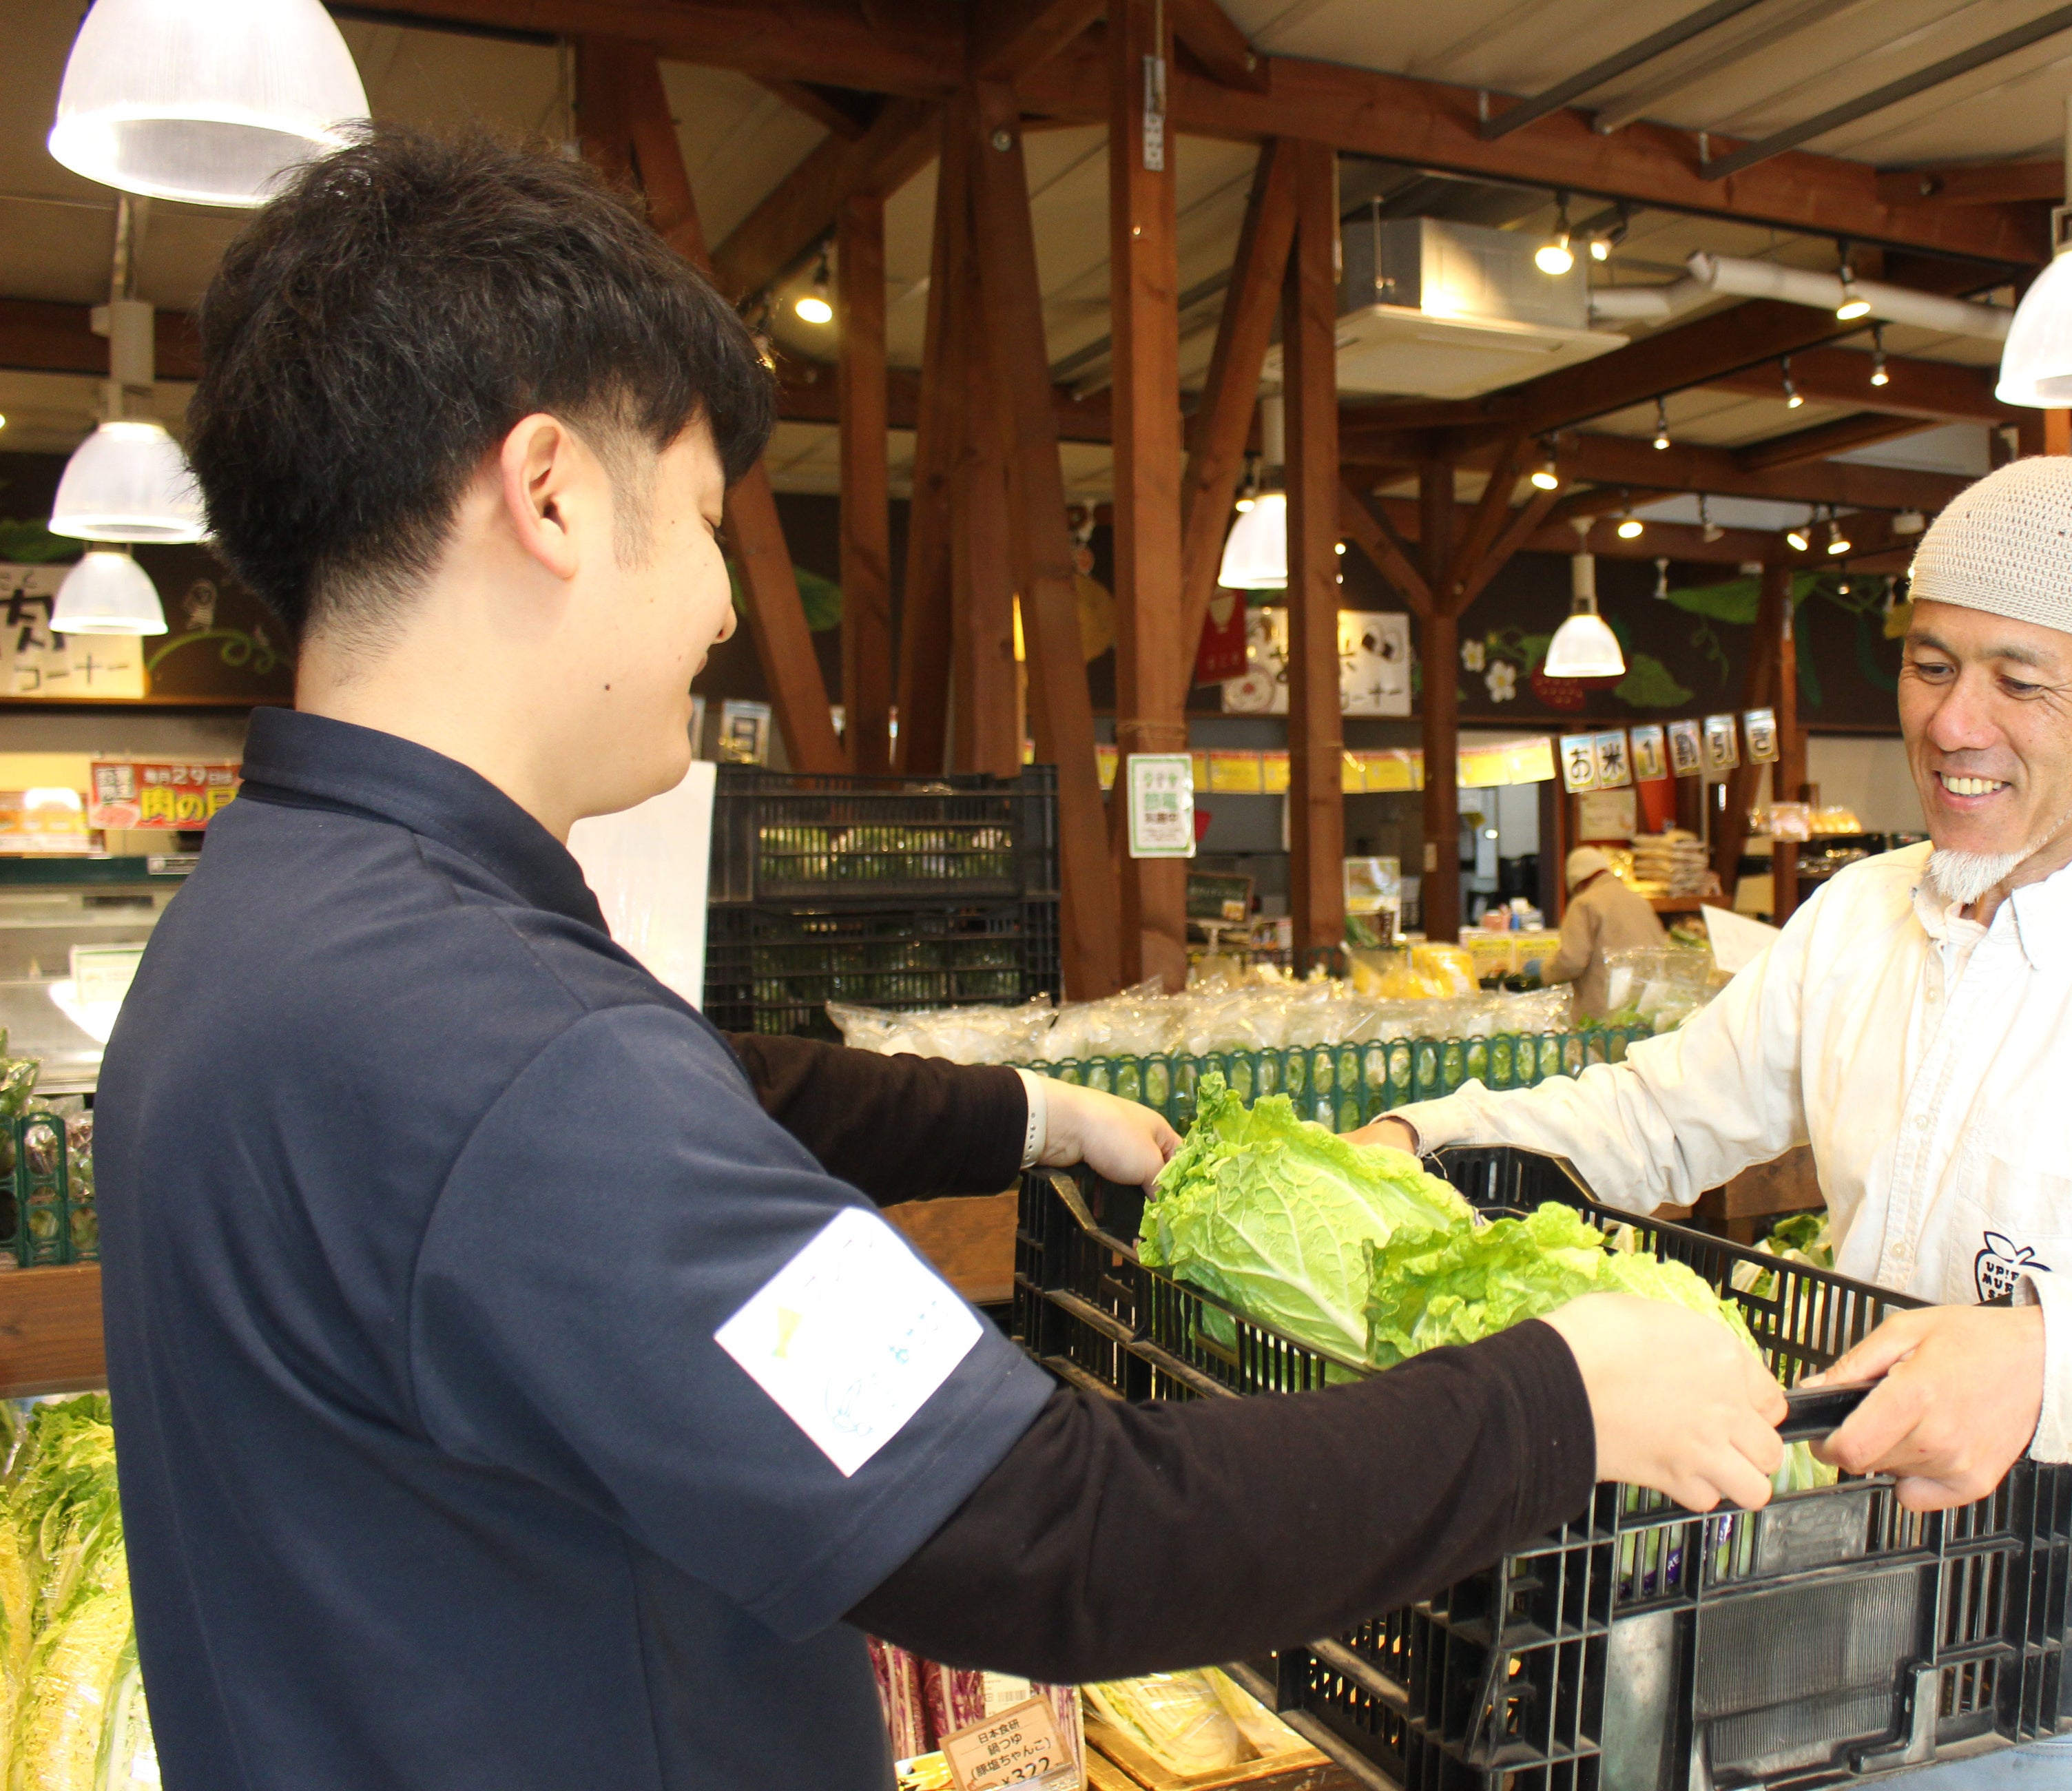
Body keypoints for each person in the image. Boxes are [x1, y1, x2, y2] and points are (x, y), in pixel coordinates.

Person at [93, 128, 1790, 1791]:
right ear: (549, 492)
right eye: (702, 516)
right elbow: (1048, 1525)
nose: (723, 605)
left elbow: (701, 1095)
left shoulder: (271, 933)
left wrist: (1035, 1115)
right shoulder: (507, 1049)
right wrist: (1558, 1402)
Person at [1351, 455, 2072, 1790]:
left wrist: (2051, 1365)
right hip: (1820, 1590)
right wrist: (1416, 1144)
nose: (1952, 723)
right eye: (1930, 665)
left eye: (2020, 681)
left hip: (2070, 1660)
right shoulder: (1859, 919)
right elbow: (1657, 1116)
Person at [1540, 844, 1670, 1020]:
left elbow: (1572, 961)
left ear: (1577, 881)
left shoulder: (1584, 903)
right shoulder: (1639, 901)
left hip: (1605, 1012)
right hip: (1646, 1008)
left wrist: (1544, 971)